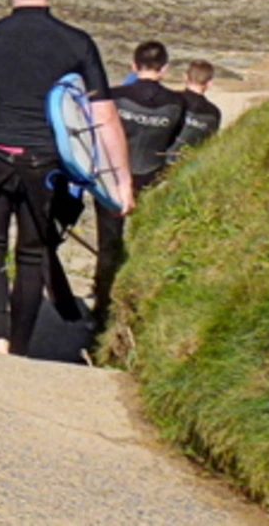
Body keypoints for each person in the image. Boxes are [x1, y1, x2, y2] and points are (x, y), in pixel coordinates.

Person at [0, 0, 133, 355]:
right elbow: (106, 117)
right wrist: (122, 181)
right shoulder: (77, 42)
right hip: (49, 165)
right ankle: (21, 348)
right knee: (32, 252)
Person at [94, 41, 186, 326]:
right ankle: (134, 306)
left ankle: (101, 308)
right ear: (165, 69)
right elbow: (173, 144)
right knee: (140, 241)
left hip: (110, 177)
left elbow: (96, 133)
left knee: (109, 243)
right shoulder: (177, 103)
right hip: (152, 178)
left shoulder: (114, 96)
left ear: (133, 66)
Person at [169, 59, 223, 161]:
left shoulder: (171, 99)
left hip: (162, 159)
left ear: (185, 77)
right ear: (210, 83)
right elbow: (208, 144)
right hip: (188, 163)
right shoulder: (214, 113)